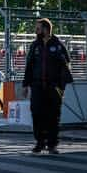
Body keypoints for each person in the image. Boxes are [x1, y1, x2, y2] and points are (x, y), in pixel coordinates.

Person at [22, 18, 73, 154]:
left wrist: (61, 86)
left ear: (45, 29)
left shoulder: (58, 45)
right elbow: (29, 66)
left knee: (53, 115)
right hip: (37, 86)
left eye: (38, 28)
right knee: (37, 114)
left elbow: (67, 65)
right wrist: (25, 85)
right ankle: (40, 142)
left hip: (54, 87)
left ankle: (52, 144)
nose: (36, 30)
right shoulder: (34, 46)